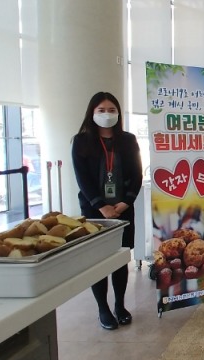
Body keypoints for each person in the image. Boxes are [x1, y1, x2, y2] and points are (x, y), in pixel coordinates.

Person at [71, 92, 143, 330]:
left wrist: (125, 203)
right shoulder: (81, 142)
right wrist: (101, 205)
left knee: (120, 259)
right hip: (94, 211)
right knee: (98, 260)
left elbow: (137, 174)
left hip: (123, 208)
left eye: (111, 109)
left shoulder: (128, 140)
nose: (107, 114)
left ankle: (120, 305)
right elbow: (82, 179)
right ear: (92, 113)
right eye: (101, 110)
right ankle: (103, 308)